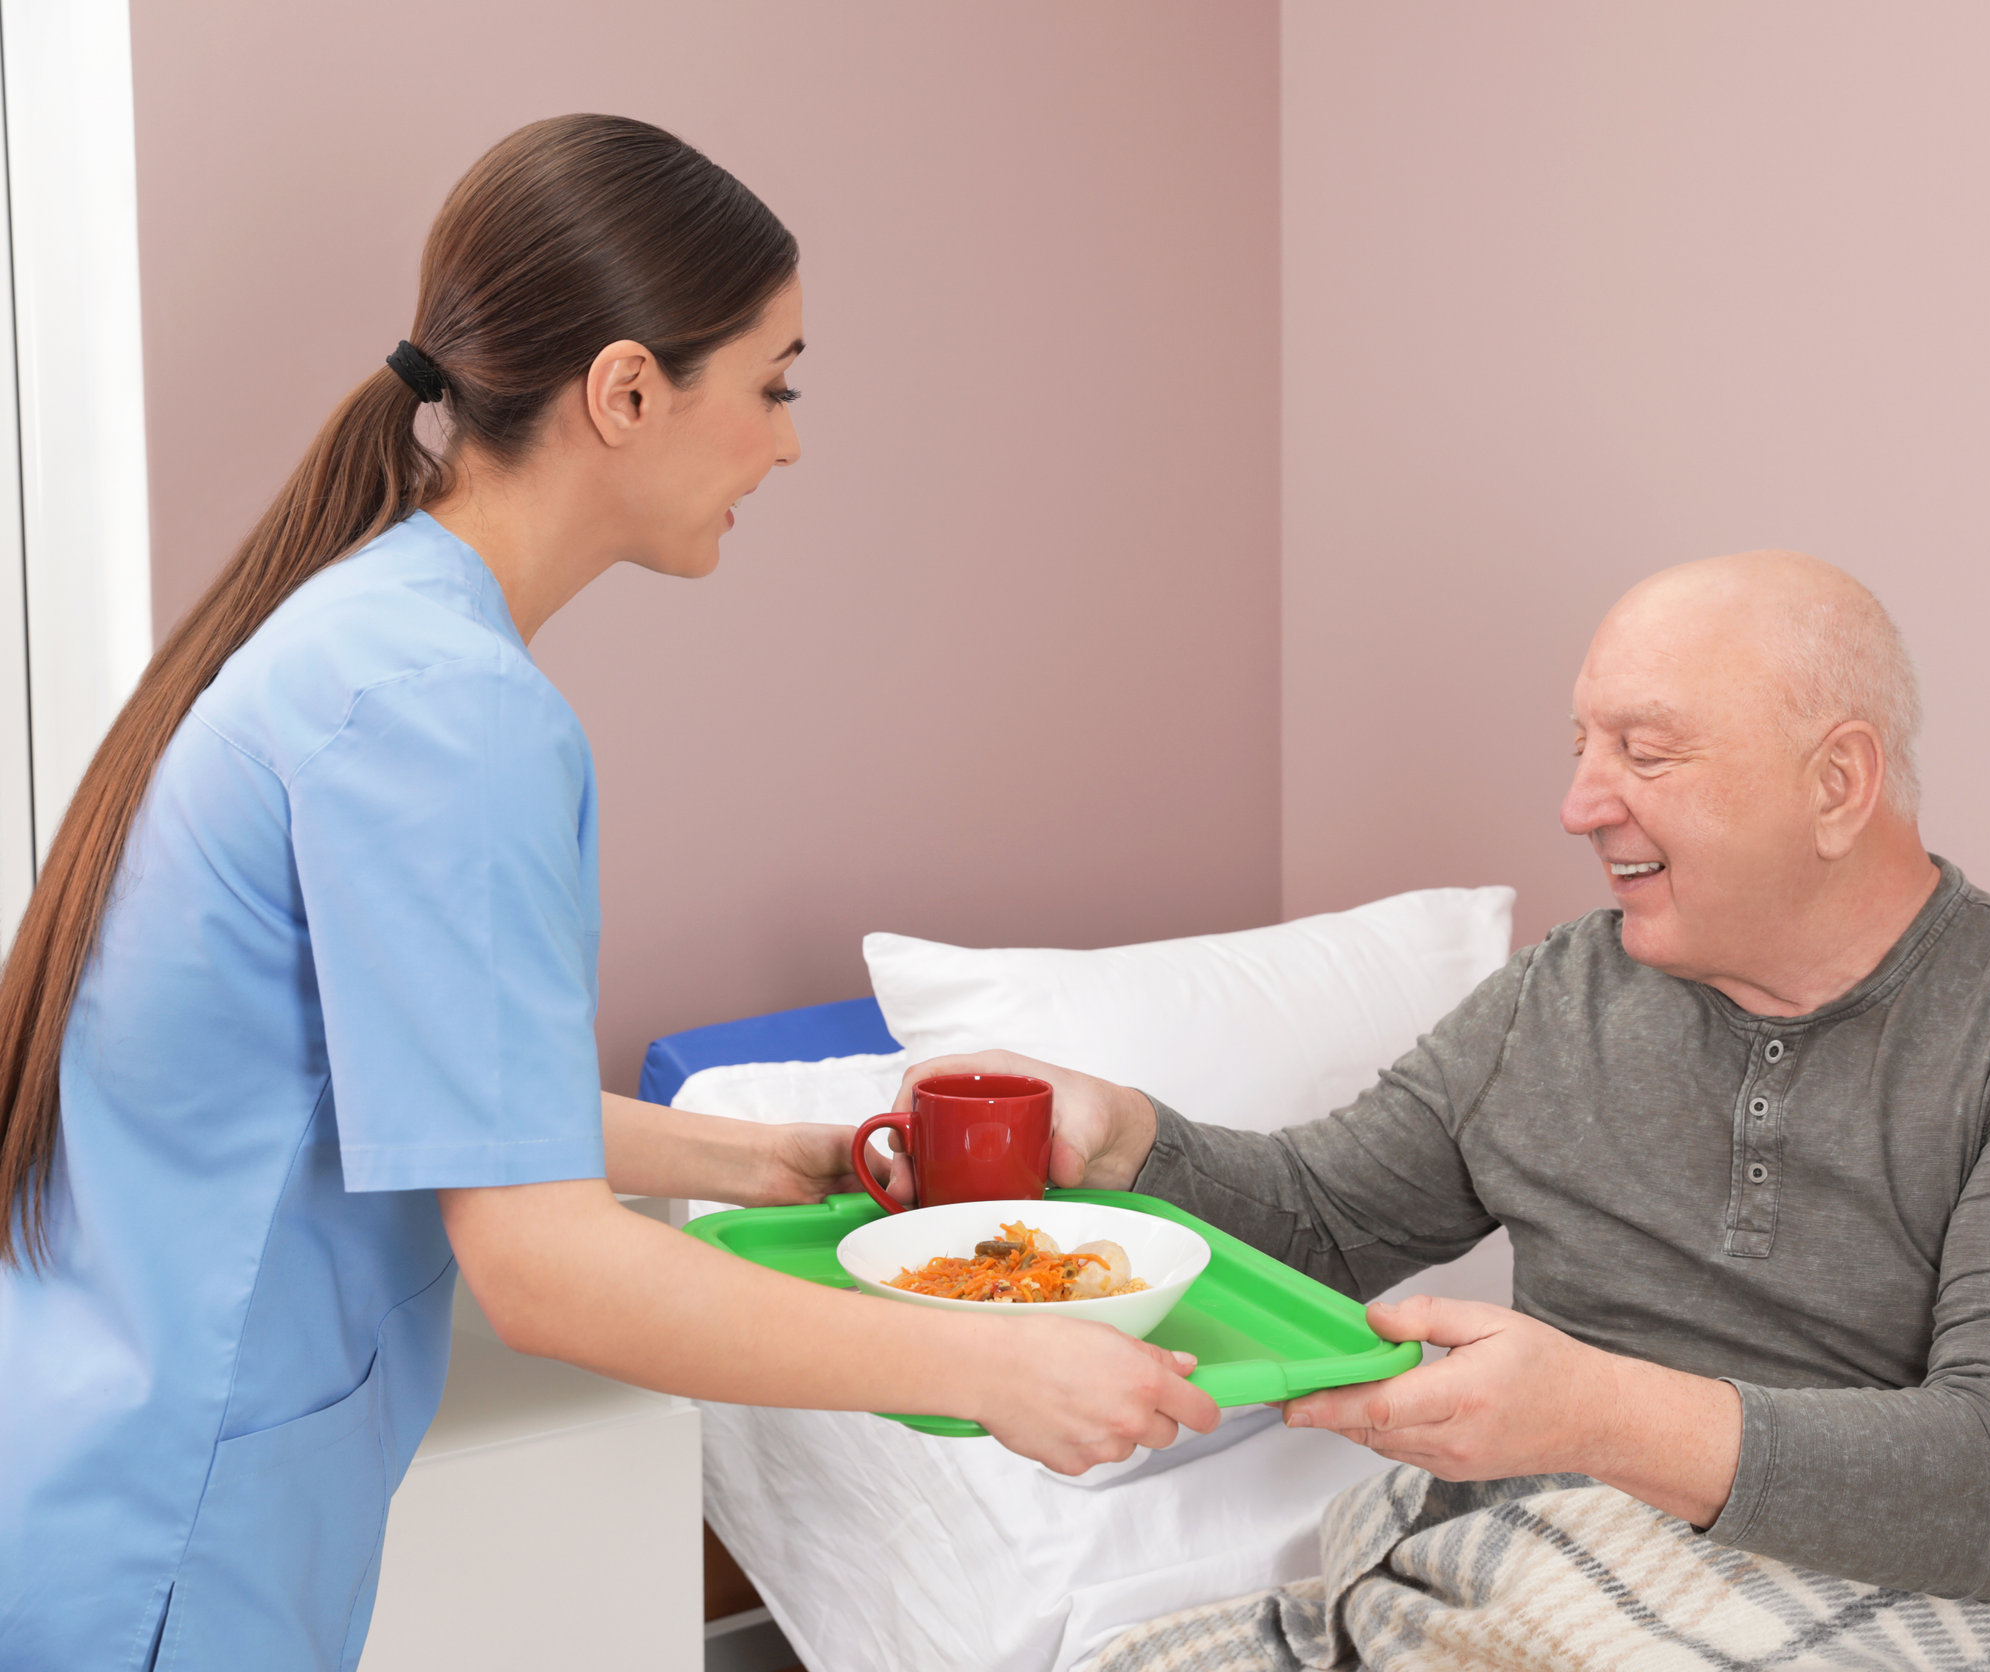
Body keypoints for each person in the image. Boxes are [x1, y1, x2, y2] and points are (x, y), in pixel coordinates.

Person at [0, 115, 1214, 1672]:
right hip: (166, 1545)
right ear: (629, 390)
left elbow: (430, 1098)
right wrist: (988, 1369)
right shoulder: (449, 710)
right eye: (773, 385)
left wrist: (771, 1159)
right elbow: (546, 1268)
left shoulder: (367, 636)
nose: (787, 443)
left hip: (109, 1477)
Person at [890, 550, 1990, 1642]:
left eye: (1645, 754)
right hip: (1536, 1584)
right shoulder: (1556, 998)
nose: (1581, 804)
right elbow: (1324, 1221)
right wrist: (1128, 1141)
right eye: (1583, 749)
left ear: (1836, 784)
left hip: (1912, 1615)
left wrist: (1590, 1413)